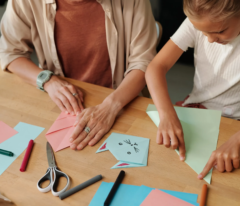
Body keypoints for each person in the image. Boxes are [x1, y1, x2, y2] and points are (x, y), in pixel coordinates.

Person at [0, 0, 157, 150]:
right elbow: (9, 52)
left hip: (122, 100)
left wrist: (111, 106)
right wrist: (47, 80)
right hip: (61, 106)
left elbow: (144, 63)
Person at [145, 0, 240, 180]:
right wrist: (167, 115)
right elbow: (155, 67)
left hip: (238, 125)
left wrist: (239, 140)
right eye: (203, 33)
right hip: (195, 111)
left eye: (220, 31)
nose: (210, 39)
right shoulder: (196, 21)